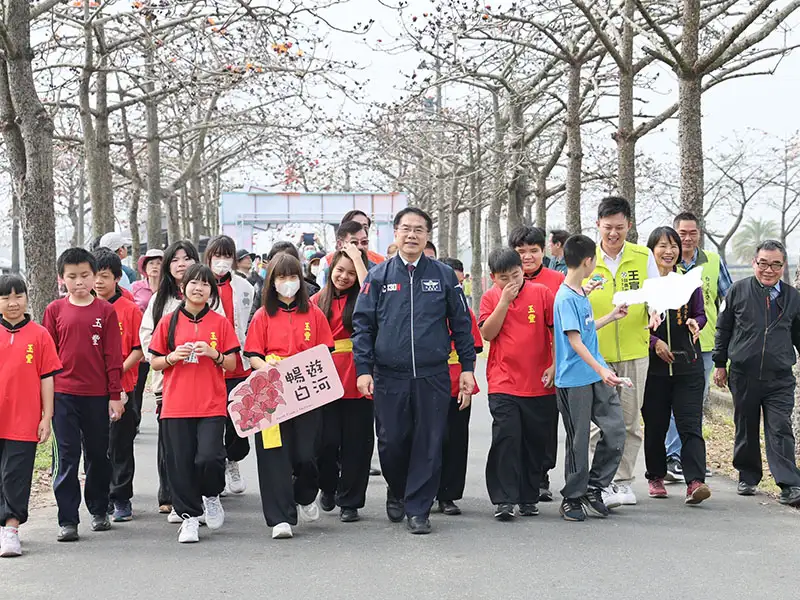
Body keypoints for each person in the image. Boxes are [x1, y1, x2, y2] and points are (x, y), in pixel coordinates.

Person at [353, 207, 476, 535]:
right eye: (406, 229)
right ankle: (398, 487)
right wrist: (363, 369)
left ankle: (419, 508)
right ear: (395, 233)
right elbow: (362, 325)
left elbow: (461, 324)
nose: (412, 235)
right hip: (389, 375)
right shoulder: (378, 277)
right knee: (392, 441)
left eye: (419, 230)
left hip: (432, 374)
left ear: (427, 236)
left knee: (429, 441)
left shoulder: (444, 276)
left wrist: (467, 367)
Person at [244, 254, 335, 540]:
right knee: (274, 455)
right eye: (281, 278)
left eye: (292, 277)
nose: (287, 283)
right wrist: (266, 366)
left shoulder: (314, 314)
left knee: (306, 454)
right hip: (270, 396)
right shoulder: (262, 316)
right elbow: (252, 356)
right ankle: (280, 518)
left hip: (305, 394)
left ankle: (305, 494)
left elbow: (326, 351)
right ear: (271, 282)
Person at [149, 264, 239, 543]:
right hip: (176, 405)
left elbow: (233, 363)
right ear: (183, 287)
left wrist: (214, 354)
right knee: (180, 463)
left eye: (205, 284)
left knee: (210, 456)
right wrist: (173, 358)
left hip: (211, 403)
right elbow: (154, 360)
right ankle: (189, 517)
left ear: (212, 291)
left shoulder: (220, 323)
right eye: (193, 283)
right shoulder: (168, 322)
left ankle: (211, 495)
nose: (198, 288)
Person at [44, 247, 125, 542]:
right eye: (72, 277)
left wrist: (115, 394)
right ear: (61, 279)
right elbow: (47, 358)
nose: (79, 282)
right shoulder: (54, 310)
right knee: (66, 456)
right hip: (63, 394)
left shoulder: (106, 311)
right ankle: (67, 519)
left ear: (94, 277)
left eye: (85, 276)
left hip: (96, 394)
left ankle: (99, 509)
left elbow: (113, 355)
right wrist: (46, 400)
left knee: (97, 455)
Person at [713, 239, 800, 506]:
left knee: (780, 428)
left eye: (775, 264)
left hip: (780, 377)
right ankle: (748, 476)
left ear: (783, 267)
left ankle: (790, 484)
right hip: (743, 373)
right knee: (746, 427)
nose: (769, 270)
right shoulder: (738, 291)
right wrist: (719, 363)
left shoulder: (794, 298)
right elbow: (723, 329)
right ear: (754, 263)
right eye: (763, 263)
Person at [586, 196, 660, 507]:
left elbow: (657, 296)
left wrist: (657, 313)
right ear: (598, 226)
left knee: (629, 421)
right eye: (607, 228)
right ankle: (597, 482)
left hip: (633, 351)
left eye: (619, 227)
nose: (614, 234)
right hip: (596, 354)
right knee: (597, 423)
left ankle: (622, 482)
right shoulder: (587, 257)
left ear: (629, 225)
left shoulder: (643, 256)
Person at [553, 234, 628, 522]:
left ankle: (595, 486)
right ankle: (572, 498)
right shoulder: (565, 298)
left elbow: (585, 330)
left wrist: (610, 316)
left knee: (615, 430)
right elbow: (574, 341)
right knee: (579, 440)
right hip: (575, 380)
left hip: (596, 372)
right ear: (588, 262)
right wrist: (602, 370)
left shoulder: (581, 293)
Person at [479, 249, 555, 521]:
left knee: (535, 442)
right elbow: (488, 333)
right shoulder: (490, 297)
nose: (512, 282)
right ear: (493, 278)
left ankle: (528, 496)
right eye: (504, 278)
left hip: (539, 382)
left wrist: (554, 364)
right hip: (503, 382)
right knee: (507, 438)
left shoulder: (542, 293)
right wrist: (504, 301)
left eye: (516, 275)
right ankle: (503, 499)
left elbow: (555, 330)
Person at [641, 227, 711, 504]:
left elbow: (700, 314)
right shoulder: (642, 286)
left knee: (690, 424)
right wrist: (654, 340)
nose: (669, 251)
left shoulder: (688, 282)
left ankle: (695, 482)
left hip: (688, 365)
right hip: (654, 369)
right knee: (655, 425)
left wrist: (697, 323)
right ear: (651, 250)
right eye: (662, 246)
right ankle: (655, 476)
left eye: (673, 246)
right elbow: (633, 321)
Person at [665, 212, 733, 480]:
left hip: (704, 344)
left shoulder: (713, 261)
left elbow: (731, 297)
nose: (688, 238)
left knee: (694, 403)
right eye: (682, 233)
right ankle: (673, 457)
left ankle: (689, 457)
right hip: (669, 343)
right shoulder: (664, 261)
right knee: (672, 401)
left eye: (693, 233)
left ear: (700, 234)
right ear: (674, 234)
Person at [0, 275, 62, 557]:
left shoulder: (39, 335)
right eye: (5, 298)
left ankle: (11, 527)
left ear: (27, 298)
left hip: (24, 419)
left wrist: (46, 416)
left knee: (16, 474)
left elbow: (46, 378)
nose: (12, 303)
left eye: (18, 296)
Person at [312, 247, 372, 523]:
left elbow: (374, 296)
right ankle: (327, 484)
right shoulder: (314, 301)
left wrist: (360, 262)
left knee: (357, 445)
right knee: (325, 441)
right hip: (323, 380)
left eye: (351, 272)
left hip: (358, 377)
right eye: (340, 270)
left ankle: (350, 501)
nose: (344, 277)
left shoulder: (365, 300)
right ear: (330, 269)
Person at [140, 240, 199, 518]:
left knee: (199, 442)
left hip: (201, 380)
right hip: (168, 379)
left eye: (187, 258)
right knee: (170, 441)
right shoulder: (159, 300)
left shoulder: (207, 295)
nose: (181, 264)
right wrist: (166, 356)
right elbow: (146, 336)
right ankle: (169, 493)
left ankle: (197, 492)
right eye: (175, 259)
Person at [508, 224, 565, 502]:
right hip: (513, 367)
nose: (527, 257)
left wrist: (556, 362)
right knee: (515, 426)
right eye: (521, 252)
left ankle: (541, 475)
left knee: (544, 424)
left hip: (550, 363)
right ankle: (519, 476)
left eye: (534, 251)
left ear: (544, 251)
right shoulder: (504, 281)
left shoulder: (556, 280)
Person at [92, 249, 144, 522]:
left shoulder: (129, 309)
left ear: (116, 278)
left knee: (121, 443)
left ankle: (121, 497)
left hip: (123, 386)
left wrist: (115, 371)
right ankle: (100, 497)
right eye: (95, 276)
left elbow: (139, 350)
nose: (98, 282)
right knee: (97, 445)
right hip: (89, 390)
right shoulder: (82, 308)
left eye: (105, 276)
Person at [204, 235, 255, 496]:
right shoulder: (199, 285)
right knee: (215, 422)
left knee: (239, 422)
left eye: (227, 256)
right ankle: (217, 469)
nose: (221, 262)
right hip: (209, 367)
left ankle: (232, 458)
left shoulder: (246, 288)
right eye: (217, 256)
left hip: (239, 364)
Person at [436, 257, 482, 516]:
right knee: (428, 440)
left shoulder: (466, 312)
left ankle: (448, 495)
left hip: (457, 384)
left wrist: (467, 387)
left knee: (455, 440)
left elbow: (472, 351)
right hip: (428, 381)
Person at [131, 248, 162, 430]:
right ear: (144, 266)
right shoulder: (136, 287)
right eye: (151, 263)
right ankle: (134, 420)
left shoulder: (170, 288)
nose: (155, 267)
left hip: (164, 343)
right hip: (142, 341)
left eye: (159, 263)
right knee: (138, 384)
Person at [249, 242, 314, 324]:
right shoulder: (263, 293)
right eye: (282, 277)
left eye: (293, 277)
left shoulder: (312, 297)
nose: (284, 264)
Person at [318, 211, 385, 286]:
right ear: (340, 243)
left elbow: (369, 292)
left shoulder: (380, 262)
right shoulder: (327, 262)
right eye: (354, 242)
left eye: (365, 227)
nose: (360, 246)